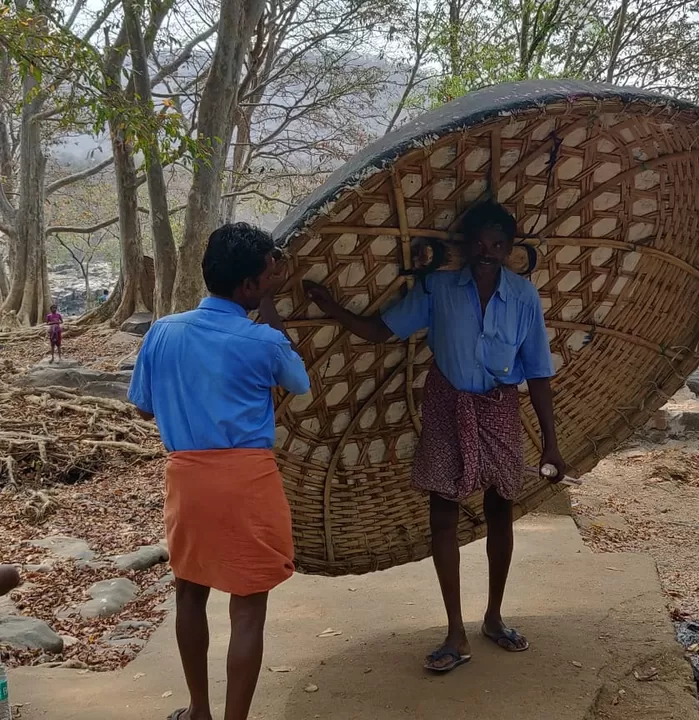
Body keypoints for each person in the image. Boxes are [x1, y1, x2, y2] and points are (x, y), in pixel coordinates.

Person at [304, 200, 566, 674]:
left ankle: (493, 617)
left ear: (509, 249)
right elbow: (381, 330)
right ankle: (454, 632)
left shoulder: (524, 296)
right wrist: (331, 307)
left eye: (497, 245)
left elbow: (540, 372)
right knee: (442, 515)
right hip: (448, 407)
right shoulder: (439, 288)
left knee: (500, 510)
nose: (487, 253)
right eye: (479, 244)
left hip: (501, 409)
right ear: (465, 246)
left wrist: (550, 442)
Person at [128, 223, 310, 720]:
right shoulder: (263, 341)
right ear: (250, 286)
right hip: (248, 480)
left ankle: (199, 712)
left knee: (189, 593)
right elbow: (299, 382)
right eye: (265, 279)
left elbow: (144, 407)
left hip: (186, 479)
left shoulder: (163, 330)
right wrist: (272, 306)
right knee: (248, 605)